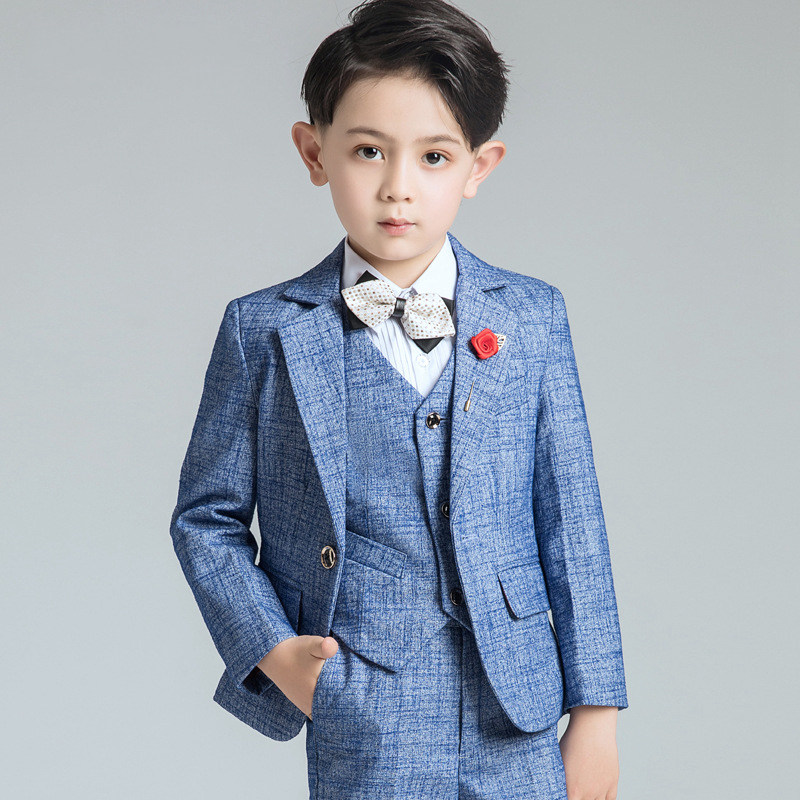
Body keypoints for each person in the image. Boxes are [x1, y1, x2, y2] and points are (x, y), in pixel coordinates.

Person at [169, 1, 629, 797]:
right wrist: (276, 652)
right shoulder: (263, 330)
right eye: (368, 151)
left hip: (518, 703)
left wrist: (597, 712)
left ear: (479, 167)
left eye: (434, 157)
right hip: (362, 704)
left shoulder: (532, 316)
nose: (397, 188)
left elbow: (572, 520)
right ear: (313, 151)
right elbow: (205, 518)